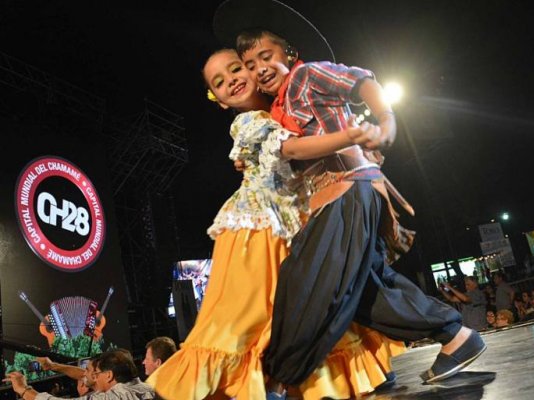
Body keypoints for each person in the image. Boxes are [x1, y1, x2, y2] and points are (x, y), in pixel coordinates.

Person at [213, 0, 486, 388]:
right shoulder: (275, 110)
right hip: (337, 196)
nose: (259, 68)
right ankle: (457, 338)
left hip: (347, 191)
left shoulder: (307, 76)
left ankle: (276, 380)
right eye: (251, 64)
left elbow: (362, 80)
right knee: (365, 290)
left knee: (303, 279)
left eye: (266, 56)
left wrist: (386, 121)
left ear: (288, 54)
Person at [148, 49, 405, 400]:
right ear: (220, 101)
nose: (232, 80)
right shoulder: (249, 123)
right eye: (219, 83)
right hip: (255, 229)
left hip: (290, 222)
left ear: (253, 70)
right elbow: (296, 150)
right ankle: (255, 383)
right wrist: (352, 135)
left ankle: (342, 373)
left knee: (306, 305)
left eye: (236, 68)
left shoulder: (282, 110)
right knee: (251, 316)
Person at [4, 350, 154, 400]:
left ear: (108, 375)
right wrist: (53, 366)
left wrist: (23, 389)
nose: (93, 377)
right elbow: (86, 376)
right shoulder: (146, 388)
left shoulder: (113, 397)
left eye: (96, 373)